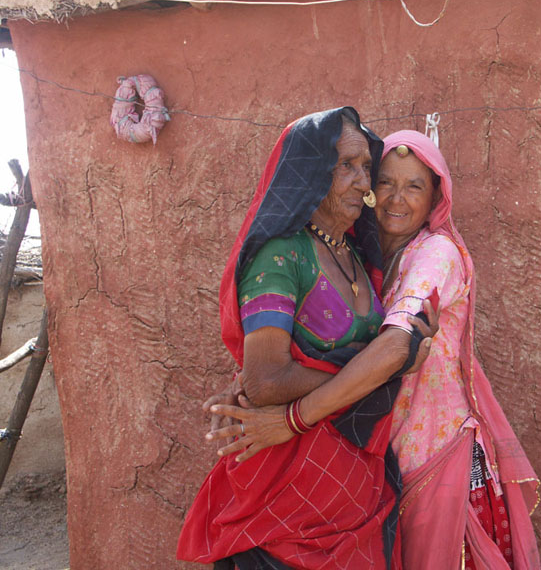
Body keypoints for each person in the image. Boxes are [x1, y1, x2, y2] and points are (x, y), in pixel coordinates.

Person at [209, 130, 541, 569]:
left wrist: (290, 418)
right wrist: (257, 384)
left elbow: (391, 349)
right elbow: (336, 350)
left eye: (414, 186)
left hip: (436, 454)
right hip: (380, 459)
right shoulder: (362, 258)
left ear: (436, 198)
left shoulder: (436, 255)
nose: (396, 199)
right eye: (386, 182)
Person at [177, 109, 436, 570]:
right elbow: (267, 381)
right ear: (311, 170)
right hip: (285, 501)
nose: (363, 184)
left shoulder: (355, 254)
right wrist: (377, 367)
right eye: (346, 166)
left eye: (365, 169)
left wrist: (379, 364)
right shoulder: (283, 255)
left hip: (354, 493)